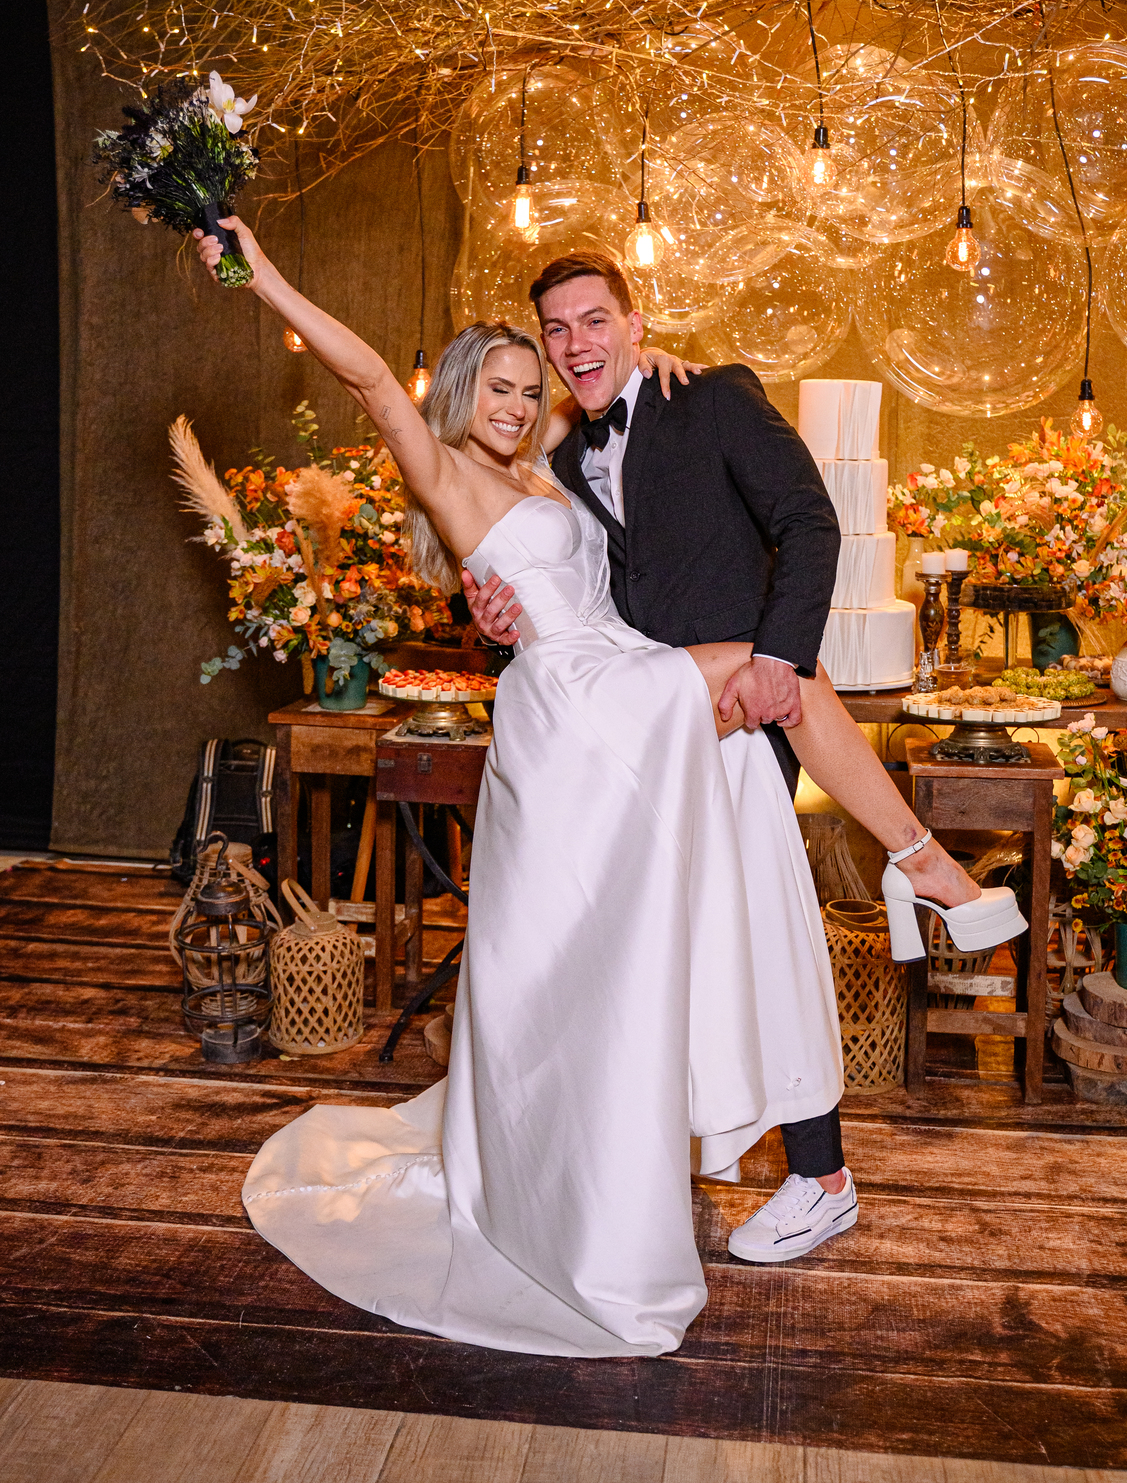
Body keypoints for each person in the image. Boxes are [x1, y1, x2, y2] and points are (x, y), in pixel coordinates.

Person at [193, 214, 853, 1356]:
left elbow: (611, 394)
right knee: (773, 671)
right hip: (575, 706)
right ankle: (917, 874)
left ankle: (681, 1129)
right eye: (494, 386)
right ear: (459, 395)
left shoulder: (544, 461)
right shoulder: (445, 468)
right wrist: (263, 279)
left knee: (614, 945)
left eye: (527, 383)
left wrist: (652, 358)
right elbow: (366, 376)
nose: (514, 402)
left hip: (616, 680)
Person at [462, 249, 1026, 1263]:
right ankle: (635, 1161)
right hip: (634, 724)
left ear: (635, 323)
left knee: (758, 935)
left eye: (595, 320)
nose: (577, 343)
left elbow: (809, 521)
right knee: (676, 952)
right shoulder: (559, 459)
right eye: (558, 329)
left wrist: (776, 657)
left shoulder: (712, 397)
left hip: (732, 710)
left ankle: (821, 1174)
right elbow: (565, 596)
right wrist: (494, 620)